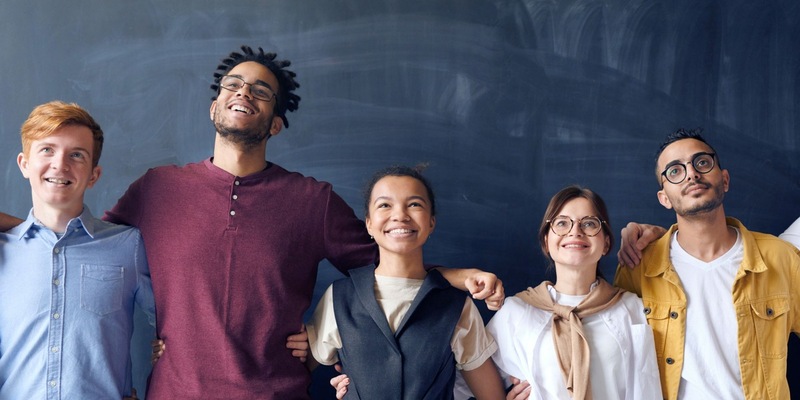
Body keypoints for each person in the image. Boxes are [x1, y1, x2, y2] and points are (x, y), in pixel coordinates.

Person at [0, 46, 504, 399]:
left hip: (277, 392)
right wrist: (15, 230)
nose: (244, 92)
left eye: (262, 91)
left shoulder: (312, 201)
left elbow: (387, 266)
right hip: (174, 392)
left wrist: (456, 277)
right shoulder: (157, 188)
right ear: (214, 105)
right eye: (233, 84)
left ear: (276, 123)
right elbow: (83, 243)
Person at [614, 128, 800, 400]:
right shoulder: (639, 266)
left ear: (724, 180)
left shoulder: (780, 258)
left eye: (701, 162)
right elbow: (615, 356)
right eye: (675, 171)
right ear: (664, 198)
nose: (691, 174)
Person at [305, 165, 505, 399]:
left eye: (414, 204)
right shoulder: (340, 298)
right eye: (384, 205)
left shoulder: (456, 305)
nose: (400, 215)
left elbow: (492, 396)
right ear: (369, 223)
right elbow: (291, 376)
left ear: (431, 222)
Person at [0, 101, 155, 399]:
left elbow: (181, 319)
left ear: (94, 175)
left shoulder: (128, 247)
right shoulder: (4, 252)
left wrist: (167, 351)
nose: (60, 165)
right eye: (47, 150)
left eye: (76, 155)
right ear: (24, 164)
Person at [461, 185, 661, 400]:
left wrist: (663, 236)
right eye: (562, 223)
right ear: (546, 242)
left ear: (606, 243)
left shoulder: (633, 309)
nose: (575, 231)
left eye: (589, 223)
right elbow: (462, 382)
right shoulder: (516, 312)